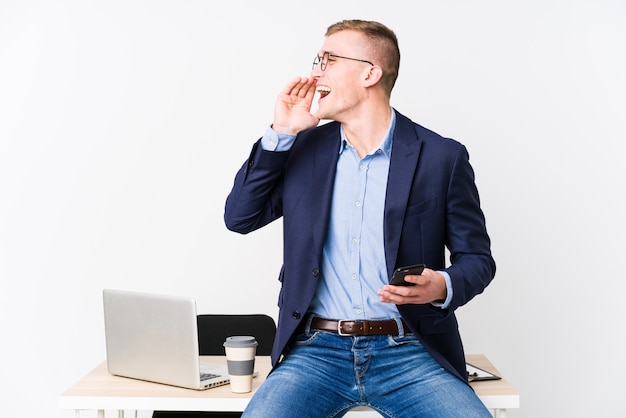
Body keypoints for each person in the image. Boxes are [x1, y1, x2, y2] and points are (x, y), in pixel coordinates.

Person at [224, 19, 495, 418]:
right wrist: (281, 131)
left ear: (370, 73)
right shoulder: (300, 149)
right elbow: (239, 216)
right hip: (314, 352)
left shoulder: (441, 157)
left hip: (410, 353)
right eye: (318, 60)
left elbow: (478, 260)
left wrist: (443, 284)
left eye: (328, 60)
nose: (315, 72)